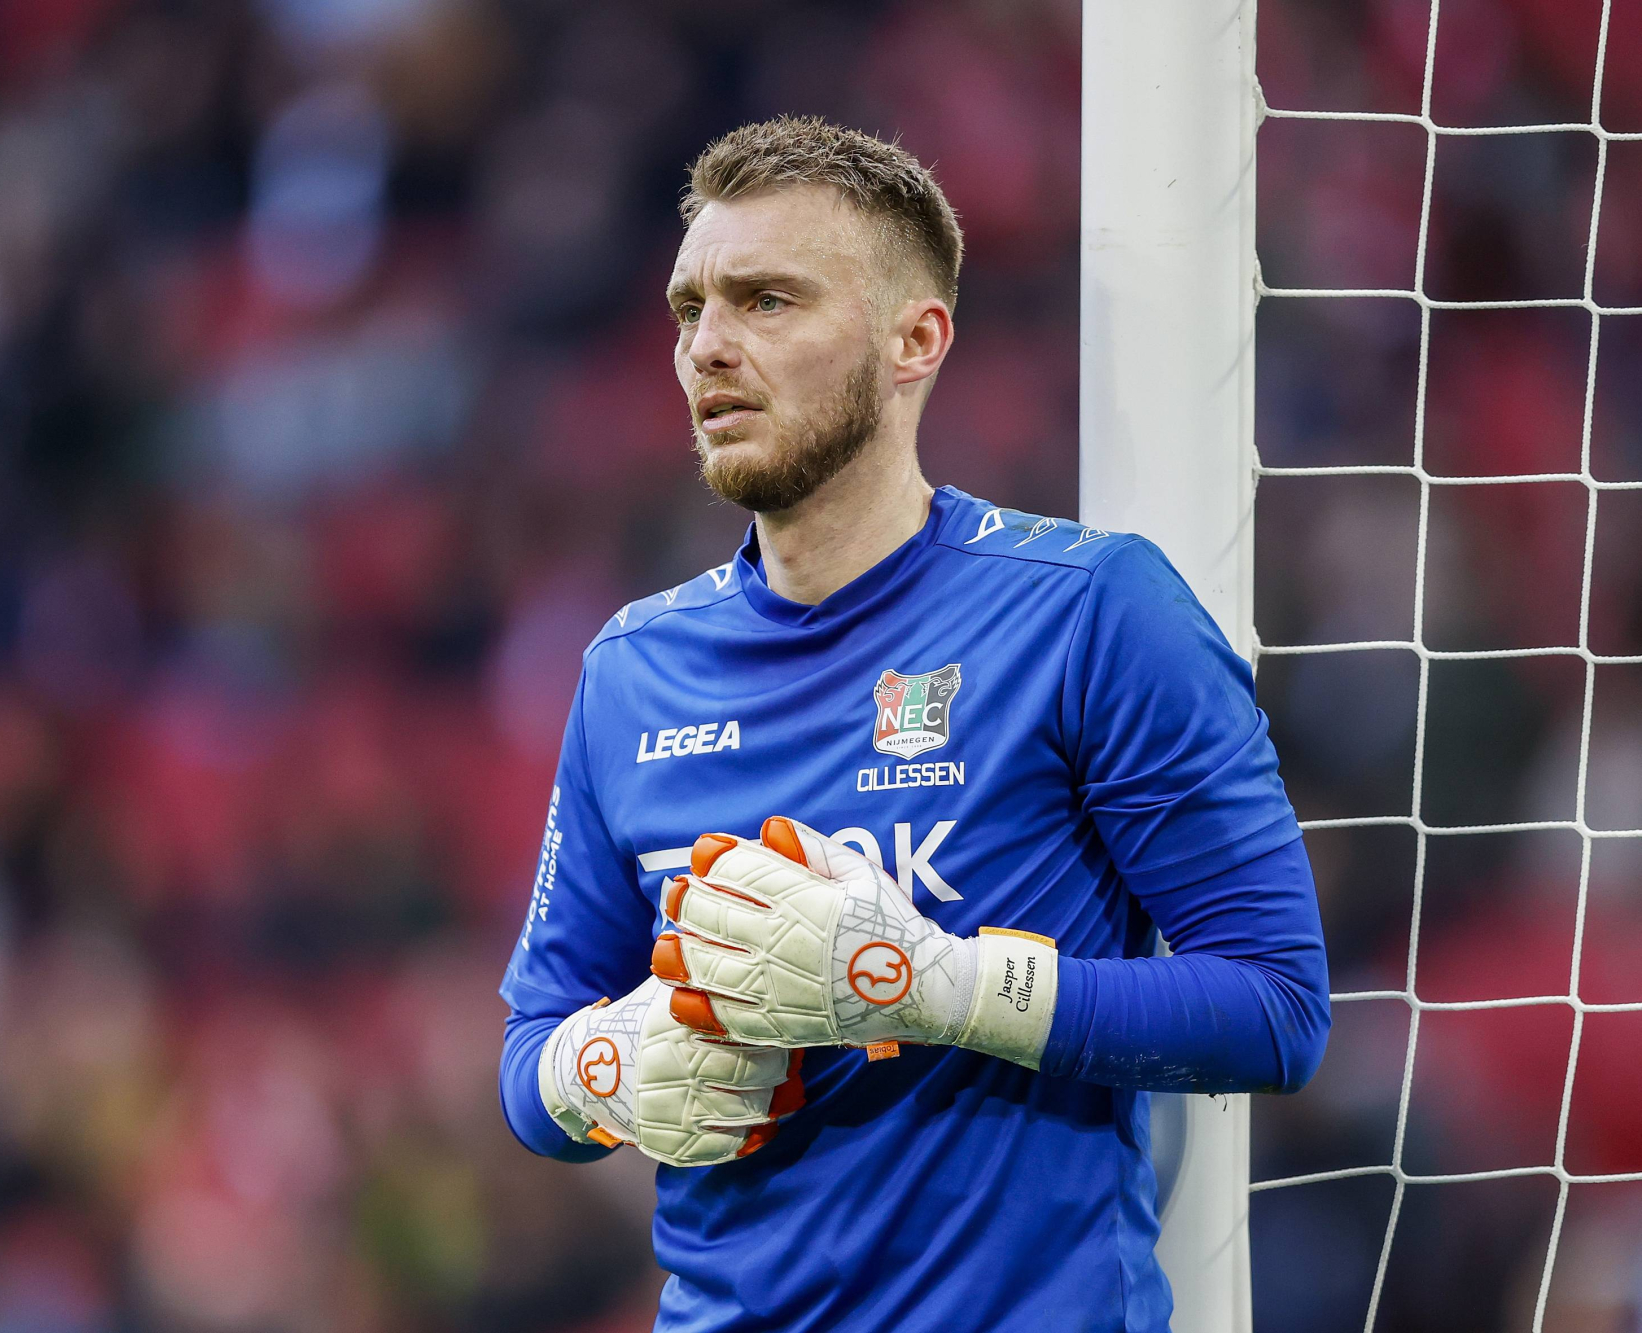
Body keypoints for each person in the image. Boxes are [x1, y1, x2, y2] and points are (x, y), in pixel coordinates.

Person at [496, 114, 1330, 1332]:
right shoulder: (631, 669)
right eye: (689, 309)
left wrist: (940, 987)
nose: (707, 346)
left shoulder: (1089, 612)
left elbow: (1274, 1008)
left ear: (914, 340)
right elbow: (530, 1055)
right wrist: (604, 1067)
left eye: (765, 300)